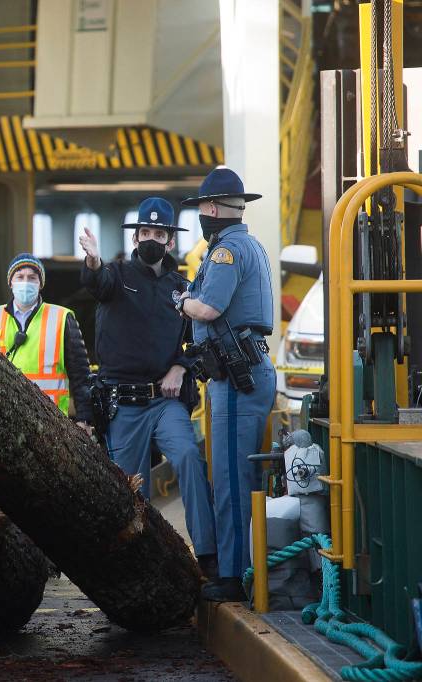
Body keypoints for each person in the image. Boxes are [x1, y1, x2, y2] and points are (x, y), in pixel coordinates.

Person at [77, 197, 217, 579]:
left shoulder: (181, 288)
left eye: (159, 233)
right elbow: (97, 281)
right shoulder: (117, 275)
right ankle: (132, 569)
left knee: (188, 456)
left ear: (170, 241)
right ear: (136, 237)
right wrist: (92, 259)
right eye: (145, 233)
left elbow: (197, 342)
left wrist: (180, 367)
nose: (152, 238)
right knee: (128, 490)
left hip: (165, 399)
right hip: (124, 403)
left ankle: (207, 555)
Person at [176, 166, 277, 602]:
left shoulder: (226, 252)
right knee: (240, 474)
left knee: (233, 478)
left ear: (213, 208)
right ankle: (241, 567)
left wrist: (183, 301)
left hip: (237, 378)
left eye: (202, 207)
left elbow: (209, 309)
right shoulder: (245, 244)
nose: (201, 213)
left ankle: (233, 577)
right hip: (242, 373)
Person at [0, 254, 92, 425]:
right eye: (20, 277)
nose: (25, 282)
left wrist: (84, 419)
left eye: (32, 278)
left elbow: (81, 375)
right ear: (10, 282)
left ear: (40, 284)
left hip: (52, 421)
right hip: (3, 416)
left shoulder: (62, 317)